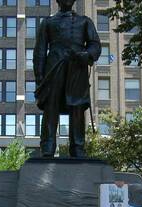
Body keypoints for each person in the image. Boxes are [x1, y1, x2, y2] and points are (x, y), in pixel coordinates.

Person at [33, 0, 101, 158]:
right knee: (51, 106)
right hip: (54, 67)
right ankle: (48, 146)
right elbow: (40, 52)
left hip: (77, 68)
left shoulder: (85, 21)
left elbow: (95, 45)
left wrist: (86, 55)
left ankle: (77, 148)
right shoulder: (48, 23)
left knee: (77, 107)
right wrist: (39, 77)